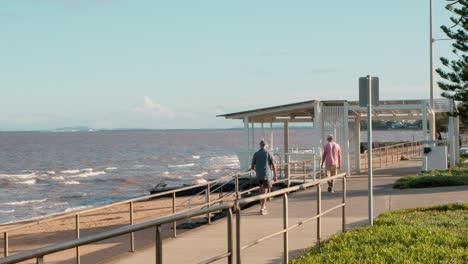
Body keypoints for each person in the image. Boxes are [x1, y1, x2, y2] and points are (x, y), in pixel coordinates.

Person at [251, 140, 277, 215]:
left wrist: (258, 170)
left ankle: (262, 205)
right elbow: (273, 165)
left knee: (261, 190)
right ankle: (262, 208)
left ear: (260, 145)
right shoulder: (268, 153)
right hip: (266, 175)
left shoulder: (256, 154)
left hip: (259, 176)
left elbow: (252, 167)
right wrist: (275, 175)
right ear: (266, 145)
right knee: (265, 192)